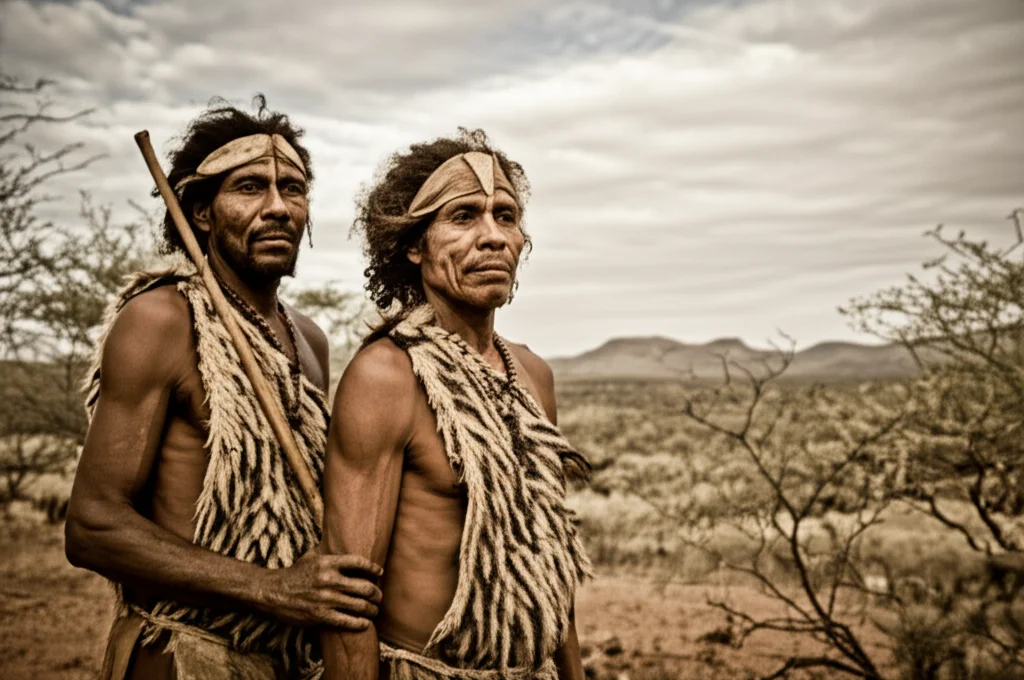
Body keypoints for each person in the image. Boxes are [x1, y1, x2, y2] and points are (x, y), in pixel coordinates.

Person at [65, 98, 381, 680]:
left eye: (293, 188)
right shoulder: (163, 319)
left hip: (288, 662)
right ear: (202, 213)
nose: (278, 207)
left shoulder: (309, 339)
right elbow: (92, 525)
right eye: (249, 188)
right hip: (188, 653)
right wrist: (270, 589)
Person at [320, 129, 590, 679]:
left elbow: (550, 567)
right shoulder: (387, 375)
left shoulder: (533, 373)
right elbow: (347, 603)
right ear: (415, 245)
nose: (492, 236)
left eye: (506, 216)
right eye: (464, 216)